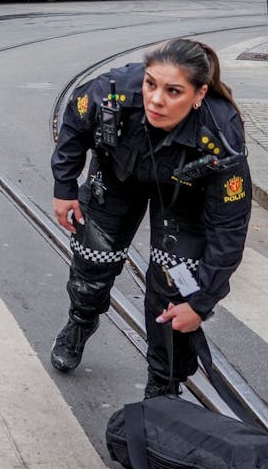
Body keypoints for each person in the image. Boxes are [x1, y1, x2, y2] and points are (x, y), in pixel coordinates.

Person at [48, 39, 253, 399]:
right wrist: (64, 186)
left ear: (199, 93)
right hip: (117, 174)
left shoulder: (221, 134)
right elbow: (76, 123)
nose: (156, 99)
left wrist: (202, 302)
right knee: (92, 262)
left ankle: (164, 380)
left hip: (184, 194)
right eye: (151, 84)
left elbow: (229, 226)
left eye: (173, 91)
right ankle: (81, 321)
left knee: (175, 294)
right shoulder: (112, 91)